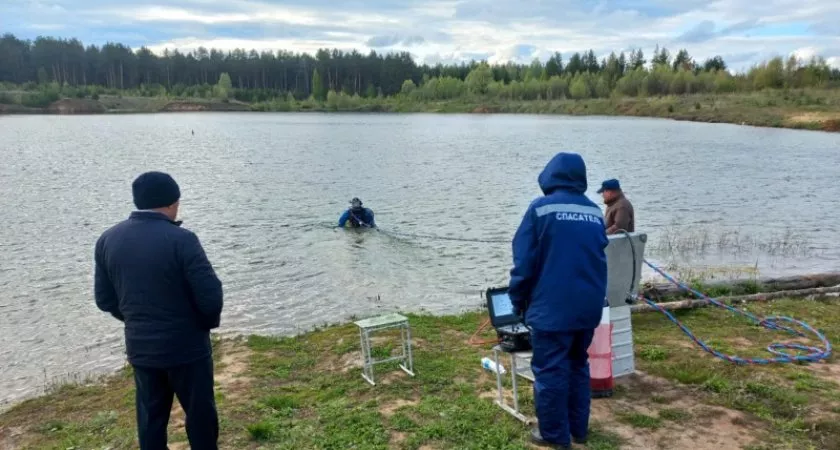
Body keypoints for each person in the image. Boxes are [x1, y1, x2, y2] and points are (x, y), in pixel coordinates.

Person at [94, 171, 224, 450]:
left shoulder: (107, 240)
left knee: (151, 419)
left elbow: (104, 299)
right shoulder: (182, 239)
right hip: (187, 348)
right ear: (173, 202)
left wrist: (136, 320)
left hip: (141, 347)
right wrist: (202, 325)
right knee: (200, 415)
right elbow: (211, 297)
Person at [509, 152, 609, 449]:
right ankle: (579, 429)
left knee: (550, 370)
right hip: (588, 307)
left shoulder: (540, 209)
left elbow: (523, 262)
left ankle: (554, 434)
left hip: (552, 309)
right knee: (578, 364)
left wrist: (517, 299)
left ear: (549, 175)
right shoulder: (594, 212)